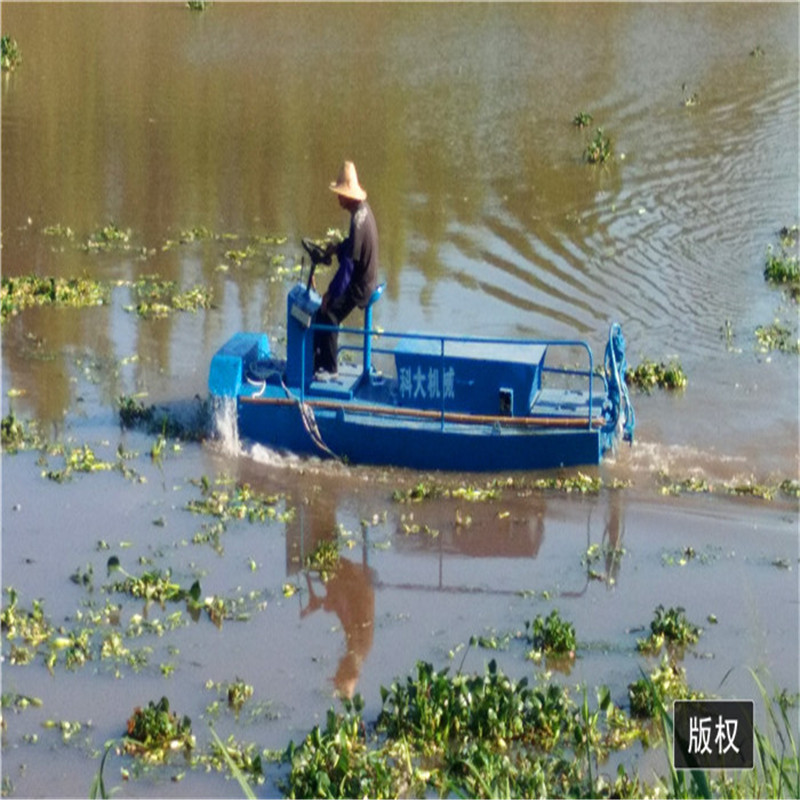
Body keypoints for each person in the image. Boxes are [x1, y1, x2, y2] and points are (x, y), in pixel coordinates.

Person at [313, 161, 379, 378]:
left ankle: (330, 369)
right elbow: (352, 248)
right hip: (364, 277)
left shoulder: (358, 221)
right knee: (324, 310)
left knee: (329, 313)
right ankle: (319, 361)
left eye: (340, 193)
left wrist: (330, 294)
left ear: (348, 195)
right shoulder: (361, 212)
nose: (338, 197)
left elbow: (348, 269)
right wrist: (336, 248)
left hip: (361, 285)